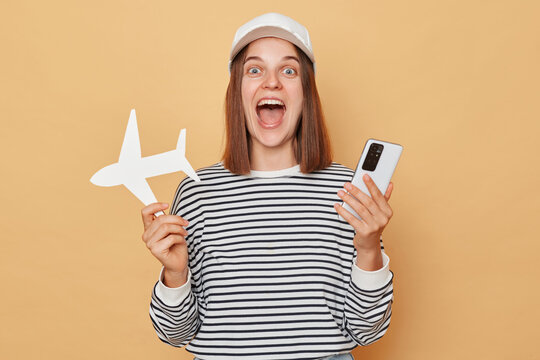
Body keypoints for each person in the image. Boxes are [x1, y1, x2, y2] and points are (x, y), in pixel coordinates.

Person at [141, 12, 395, 360]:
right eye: (254, 69)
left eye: (288, 70)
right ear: (238, 92)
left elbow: (368, 331)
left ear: (306, 92)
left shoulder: (348, 190)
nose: (271, 82)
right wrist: (175, 273)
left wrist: (369, 250)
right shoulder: (197, 193)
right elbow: (175, 334)